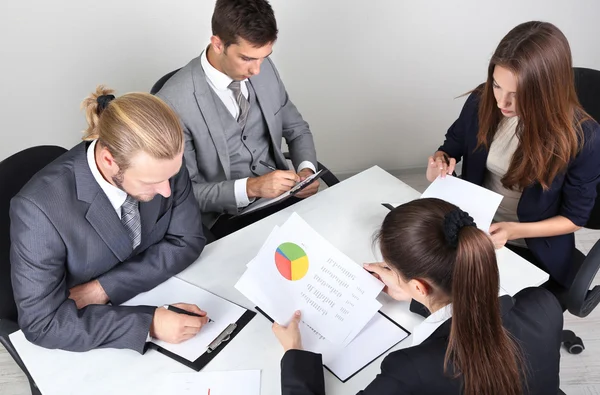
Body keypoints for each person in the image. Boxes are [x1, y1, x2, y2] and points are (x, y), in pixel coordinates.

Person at [273, 198, 563, 395]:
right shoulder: (543, 304)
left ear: (420, 285)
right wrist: (415, 297)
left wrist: (295, 356)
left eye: (392, 270)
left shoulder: (410, 370)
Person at [10, 86, 208, 353]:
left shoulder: (164, 162)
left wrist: (102, 289)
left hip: (161, 294)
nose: (166, 191)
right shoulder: (38, 210)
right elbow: (41, 323)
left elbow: (188, 241)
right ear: (109, 160)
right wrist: (149, 324)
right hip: (92, 335)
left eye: (169, 177)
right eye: (152, 182)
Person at [425, 21, 600, 286]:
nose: (501, 102)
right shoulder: (481, 101)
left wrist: (514, 230)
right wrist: (440, 160)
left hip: (532, 244)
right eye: (496, 85)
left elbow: (575, 218)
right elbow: (452, 145)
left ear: (547, 92)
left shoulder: (583, 137)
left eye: (517, 95)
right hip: (473, 224)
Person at [156, 0, 319, 239]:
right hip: (227, 218)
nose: (257, 71)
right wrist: (252, 187)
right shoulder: (172, 103)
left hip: (284, 198)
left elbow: (296, 128)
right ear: (218, 44)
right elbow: (184, 194)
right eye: (247, 59)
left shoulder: (264, 69)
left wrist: (306, 171)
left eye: (264, 57)